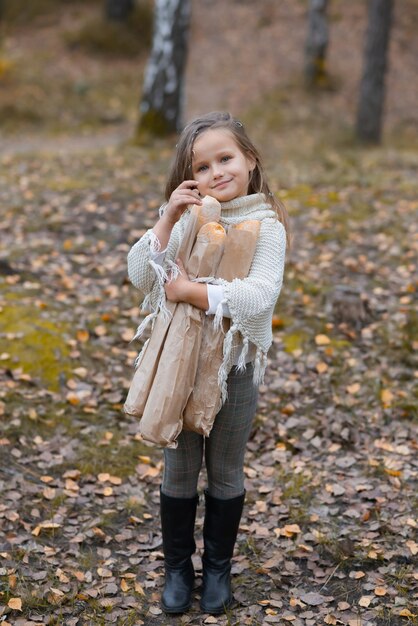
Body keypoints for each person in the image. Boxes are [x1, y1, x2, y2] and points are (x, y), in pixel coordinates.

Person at [127, 111, 288, 615]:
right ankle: (179, 569)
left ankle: (217, 569)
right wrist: (169, 217)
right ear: (188, 176)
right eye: (203, 165)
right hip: (180, 363)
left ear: (250, 160)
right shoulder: (188, 215)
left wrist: (190, 291)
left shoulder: (267, 226)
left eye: (226, 158)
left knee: (225, 470)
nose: (217, 171)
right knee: (178, 470)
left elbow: (259, 296)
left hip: (234, 367)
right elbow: (139, 274)